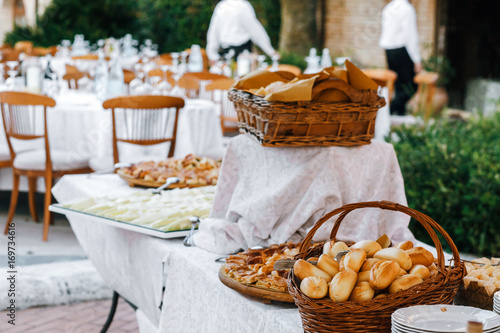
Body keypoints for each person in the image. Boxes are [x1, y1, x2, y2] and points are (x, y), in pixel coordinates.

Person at [379, 0, 422, 115]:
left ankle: (398, 113)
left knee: (398, 85)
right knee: (411, 86)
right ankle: (389, 109)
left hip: (389, 50)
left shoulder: (388, 7)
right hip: (402, 49)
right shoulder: (407, 9)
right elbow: (410, 35)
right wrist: (417, 60)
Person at [206, 0, 277, 63]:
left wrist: (212, 54)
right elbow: (255, 31)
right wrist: (270, 51)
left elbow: (213, 32)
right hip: (243, 54)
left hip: (227, 53)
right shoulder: (243, 6)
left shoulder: (221, 6)